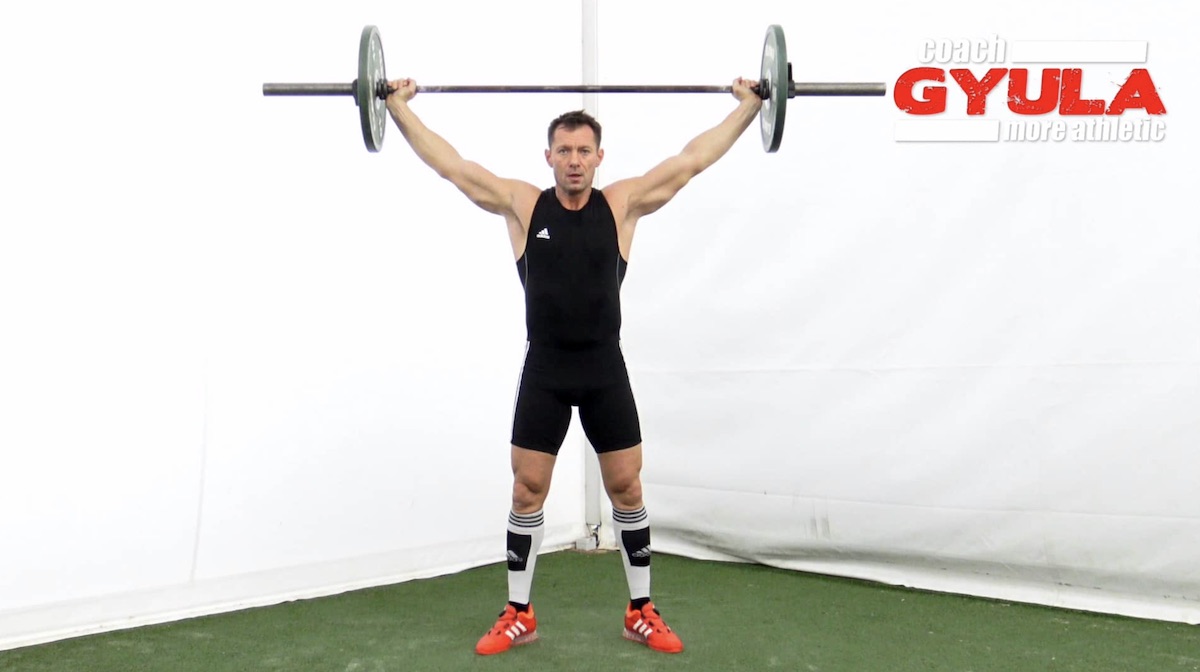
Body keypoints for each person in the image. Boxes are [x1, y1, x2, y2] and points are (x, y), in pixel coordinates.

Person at [384, 76, 763, 656]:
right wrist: (397, 108)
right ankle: (519, 612)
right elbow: (453, 167)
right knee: (527, 489)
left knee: (626, 487)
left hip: (604, 369)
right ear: (549, 157)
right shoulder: (523, 204)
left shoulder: (621, 205)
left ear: (599, 157)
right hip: (546, 371)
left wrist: (749, 107)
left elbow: (691, 161)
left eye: (584, 150)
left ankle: (641, 610)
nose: (575, 160)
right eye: (564, 150)